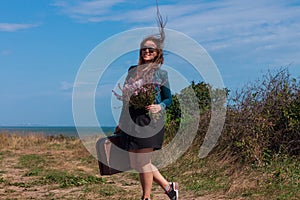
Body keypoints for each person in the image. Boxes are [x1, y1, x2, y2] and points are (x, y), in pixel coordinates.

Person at [117, 32, 178, 200]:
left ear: (157, 52)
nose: (147, 51)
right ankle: (169, 187)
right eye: (144, 49)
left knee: (143, 162)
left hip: (150, 120)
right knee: (135, 163)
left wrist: (160, 106)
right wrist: (121, 121)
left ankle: (146, 197)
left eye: (151, 49)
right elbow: (126, 98)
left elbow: (168, 98)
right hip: (132, 119)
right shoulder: (132, 70)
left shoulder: (161, 74)